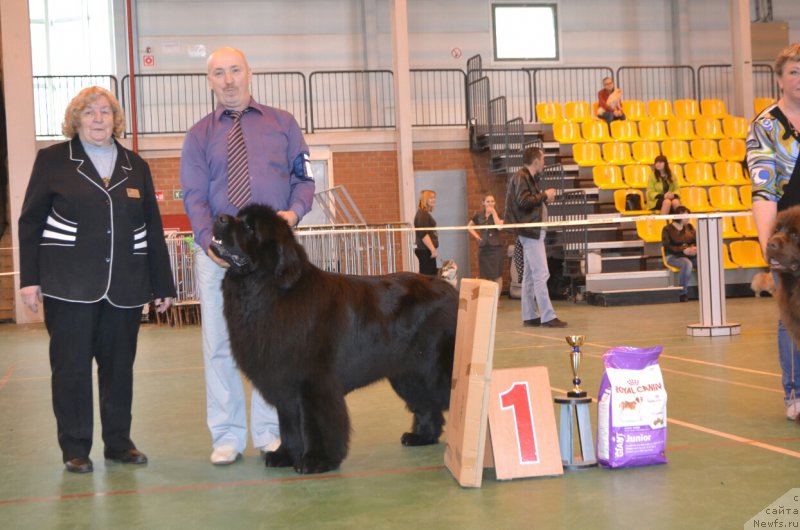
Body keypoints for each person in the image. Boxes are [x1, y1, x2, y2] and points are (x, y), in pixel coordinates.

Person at [17, 86, 176, 474]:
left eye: (105, 112)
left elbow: (152, 228)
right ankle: (75, 448)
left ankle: (119, 444)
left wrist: (164, 285)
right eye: (89, 113)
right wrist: (30, 279)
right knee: (70, 368)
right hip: (68, 286)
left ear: (115, 119)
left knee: (119, 368)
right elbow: (31, 221)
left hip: (125, 287)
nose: (99, 119)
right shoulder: (53, 160)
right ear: (76, 120)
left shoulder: (135, 165)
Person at [180, 47, 315, 464]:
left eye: (235, 70)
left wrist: (293, 212)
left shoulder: (283, 124)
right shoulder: (198, 135)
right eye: (219, 73)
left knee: (273, 345)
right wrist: (208, 241)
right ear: (210, 81)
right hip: (219, 258)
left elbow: (304, 177)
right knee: (219, 345)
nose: (228, 79)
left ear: (249, 73)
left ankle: (270, 432)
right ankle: (227, 435)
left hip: (271, 258)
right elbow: (194, 195)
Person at [747, 42, 800, 421]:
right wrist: (771, 249)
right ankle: (795, 394)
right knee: (792, 312)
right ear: (780, 79)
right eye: (794, 72)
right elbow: (764, 190)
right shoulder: (766, 126)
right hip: (792, 236)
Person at [504, 147, 567, 328]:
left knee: (531, 276)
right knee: (541, 273)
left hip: (530, 232)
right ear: (536, 161)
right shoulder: (522, 177)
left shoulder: (525, 177)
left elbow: (528, 201)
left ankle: (530, 315)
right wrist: (544, 195)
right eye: (543, 159)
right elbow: (524, 201)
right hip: (531, 232)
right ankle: (548, 316)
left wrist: (543, 198)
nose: (544, 163)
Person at [467, 194, 505, 294]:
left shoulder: (499, 214)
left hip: (496, 249)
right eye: (488, 201)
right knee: (484, 275)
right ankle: (487, 298)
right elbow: (469, 227)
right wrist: (478, 237)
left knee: (497, 275)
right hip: (483, 248)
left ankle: (496, 300)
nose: (490, 203)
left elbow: (499, 227)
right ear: (483, 203)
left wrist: (494, 213)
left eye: (492, 201)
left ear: (495, 202)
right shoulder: (478, 215)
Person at [661, 205, 696, 303]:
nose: (688, 218)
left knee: (705, 261)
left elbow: (696, 240)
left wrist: (694, 248)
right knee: (687, 263)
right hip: (673, 256)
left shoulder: (689, 227)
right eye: (685, 216)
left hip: (689, 254)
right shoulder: (667, 229)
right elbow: (667, 246)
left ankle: (708, 290)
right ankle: (682, 293)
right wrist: (683, 250)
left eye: (688, 215)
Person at [414, 189, 439, 276]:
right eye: (431, 198)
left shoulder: (424, 213)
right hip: (425, 250)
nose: (434, 199)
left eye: (434, 198)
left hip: (426, 250)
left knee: (429, 277)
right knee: (428, 278)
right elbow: (423, 234)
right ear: (425, 200)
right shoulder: (422, 214)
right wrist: (432, 250)